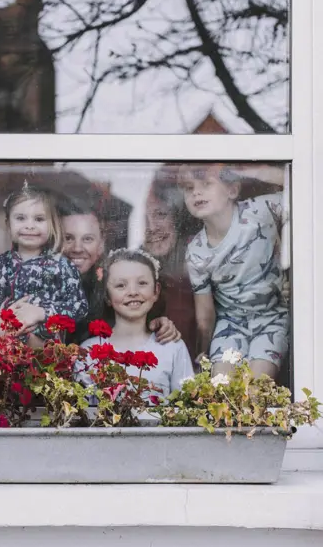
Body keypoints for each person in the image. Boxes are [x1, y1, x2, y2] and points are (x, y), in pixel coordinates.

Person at [180, 164, 288, 378]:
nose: (196, 192)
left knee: (256, 388)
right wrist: (203, 355)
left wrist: (251, 170)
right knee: (222, 388)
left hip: (272, 316)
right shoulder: (196, 252)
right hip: (231, 324)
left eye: (206, 184)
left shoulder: (260, 211)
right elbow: (205, 316)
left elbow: (303, 184)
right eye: (188, 187)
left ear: (232, 190)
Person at [0, 184, 88, 341]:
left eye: (39, 219)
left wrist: (41, 312)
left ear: (52, 224)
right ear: (8, 224)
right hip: (1, 353)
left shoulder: (61, 266)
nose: (29, 225)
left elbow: (79, 308)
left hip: (45, 358)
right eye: (20, 218)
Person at [80, 248, 194, 399]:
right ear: (107, 295)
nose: (133, 291)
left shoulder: (172, 347)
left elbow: (187, 407)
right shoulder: (88, 352)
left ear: (156, 291)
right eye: (121, 285)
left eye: (142, 283)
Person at [60, 207, 181, 347]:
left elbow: (137, 315)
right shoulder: (43, 282)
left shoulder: (112, 282)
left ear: (101, 243)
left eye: (87, 239)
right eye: (68, 238)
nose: (77, 248)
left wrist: (160, 324)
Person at [142, 178, 200, 362]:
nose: (152, 227)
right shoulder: (132, 266)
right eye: (143, 220)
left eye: (160, 214)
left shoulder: (199, 258)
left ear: (176, 217)